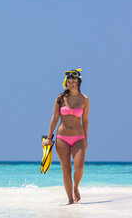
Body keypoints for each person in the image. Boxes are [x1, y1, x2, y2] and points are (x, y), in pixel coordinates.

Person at [42, 68, 89, 205]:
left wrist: (86, 139)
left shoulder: (85, 100)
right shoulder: (60, 98)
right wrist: (49, 138)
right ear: (66, 82)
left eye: (74, 80)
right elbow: (54, 118)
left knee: (79, 167)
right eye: (69, 81)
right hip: (62, 137)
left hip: (79, 138)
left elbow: (85, 121)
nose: (71, 83)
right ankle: (70, 201)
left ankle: (75, 187)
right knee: (66, 169)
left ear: (79, 82)